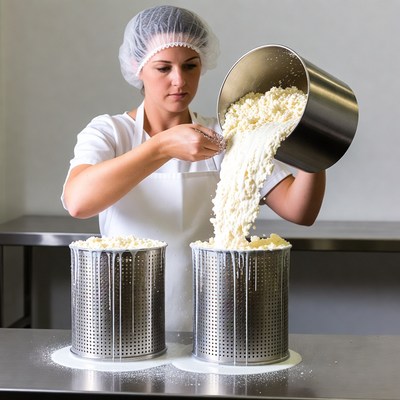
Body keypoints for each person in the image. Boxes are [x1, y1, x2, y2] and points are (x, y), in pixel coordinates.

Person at [61, 5, 326, 332]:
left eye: (190, 66)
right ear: (137, 67)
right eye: (163, 68)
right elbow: (78, 201)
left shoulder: (225, 135)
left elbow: (300, 210)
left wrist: (316, 149)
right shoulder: (110, 133)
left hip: (213, 320)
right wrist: (161, 147)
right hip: (127, 318)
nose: (179, 81)